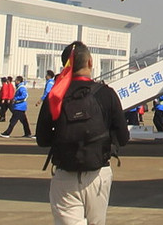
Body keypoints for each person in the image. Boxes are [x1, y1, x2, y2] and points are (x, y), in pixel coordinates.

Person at [37, 42, 129, 225]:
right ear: (90, 62)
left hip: (65, 174)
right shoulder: (106, 94)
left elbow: (42, 139)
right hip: (97, 174)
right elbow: (123, 138)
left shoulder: (55, 96)